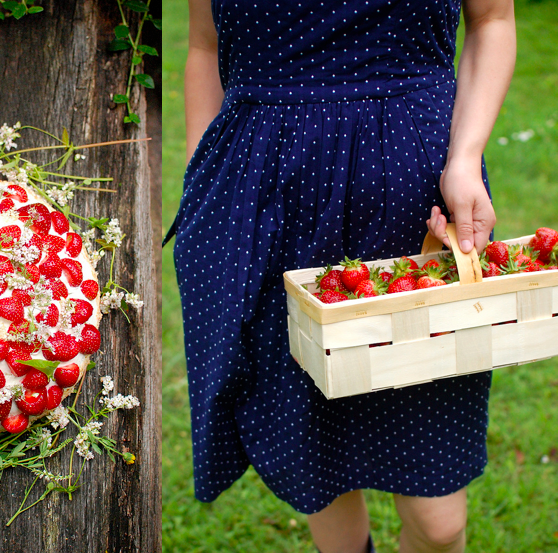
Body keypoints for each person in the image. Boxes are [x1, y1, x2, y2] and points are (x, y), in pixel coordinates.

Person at [166, 0, 515, 551]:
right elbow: (205, 48)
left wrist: (466, 157)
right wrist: (202, 184)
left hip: (413, 186)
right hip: (263, 192)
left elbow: (493, 20)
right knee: (316, 451)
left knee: (439, 524)